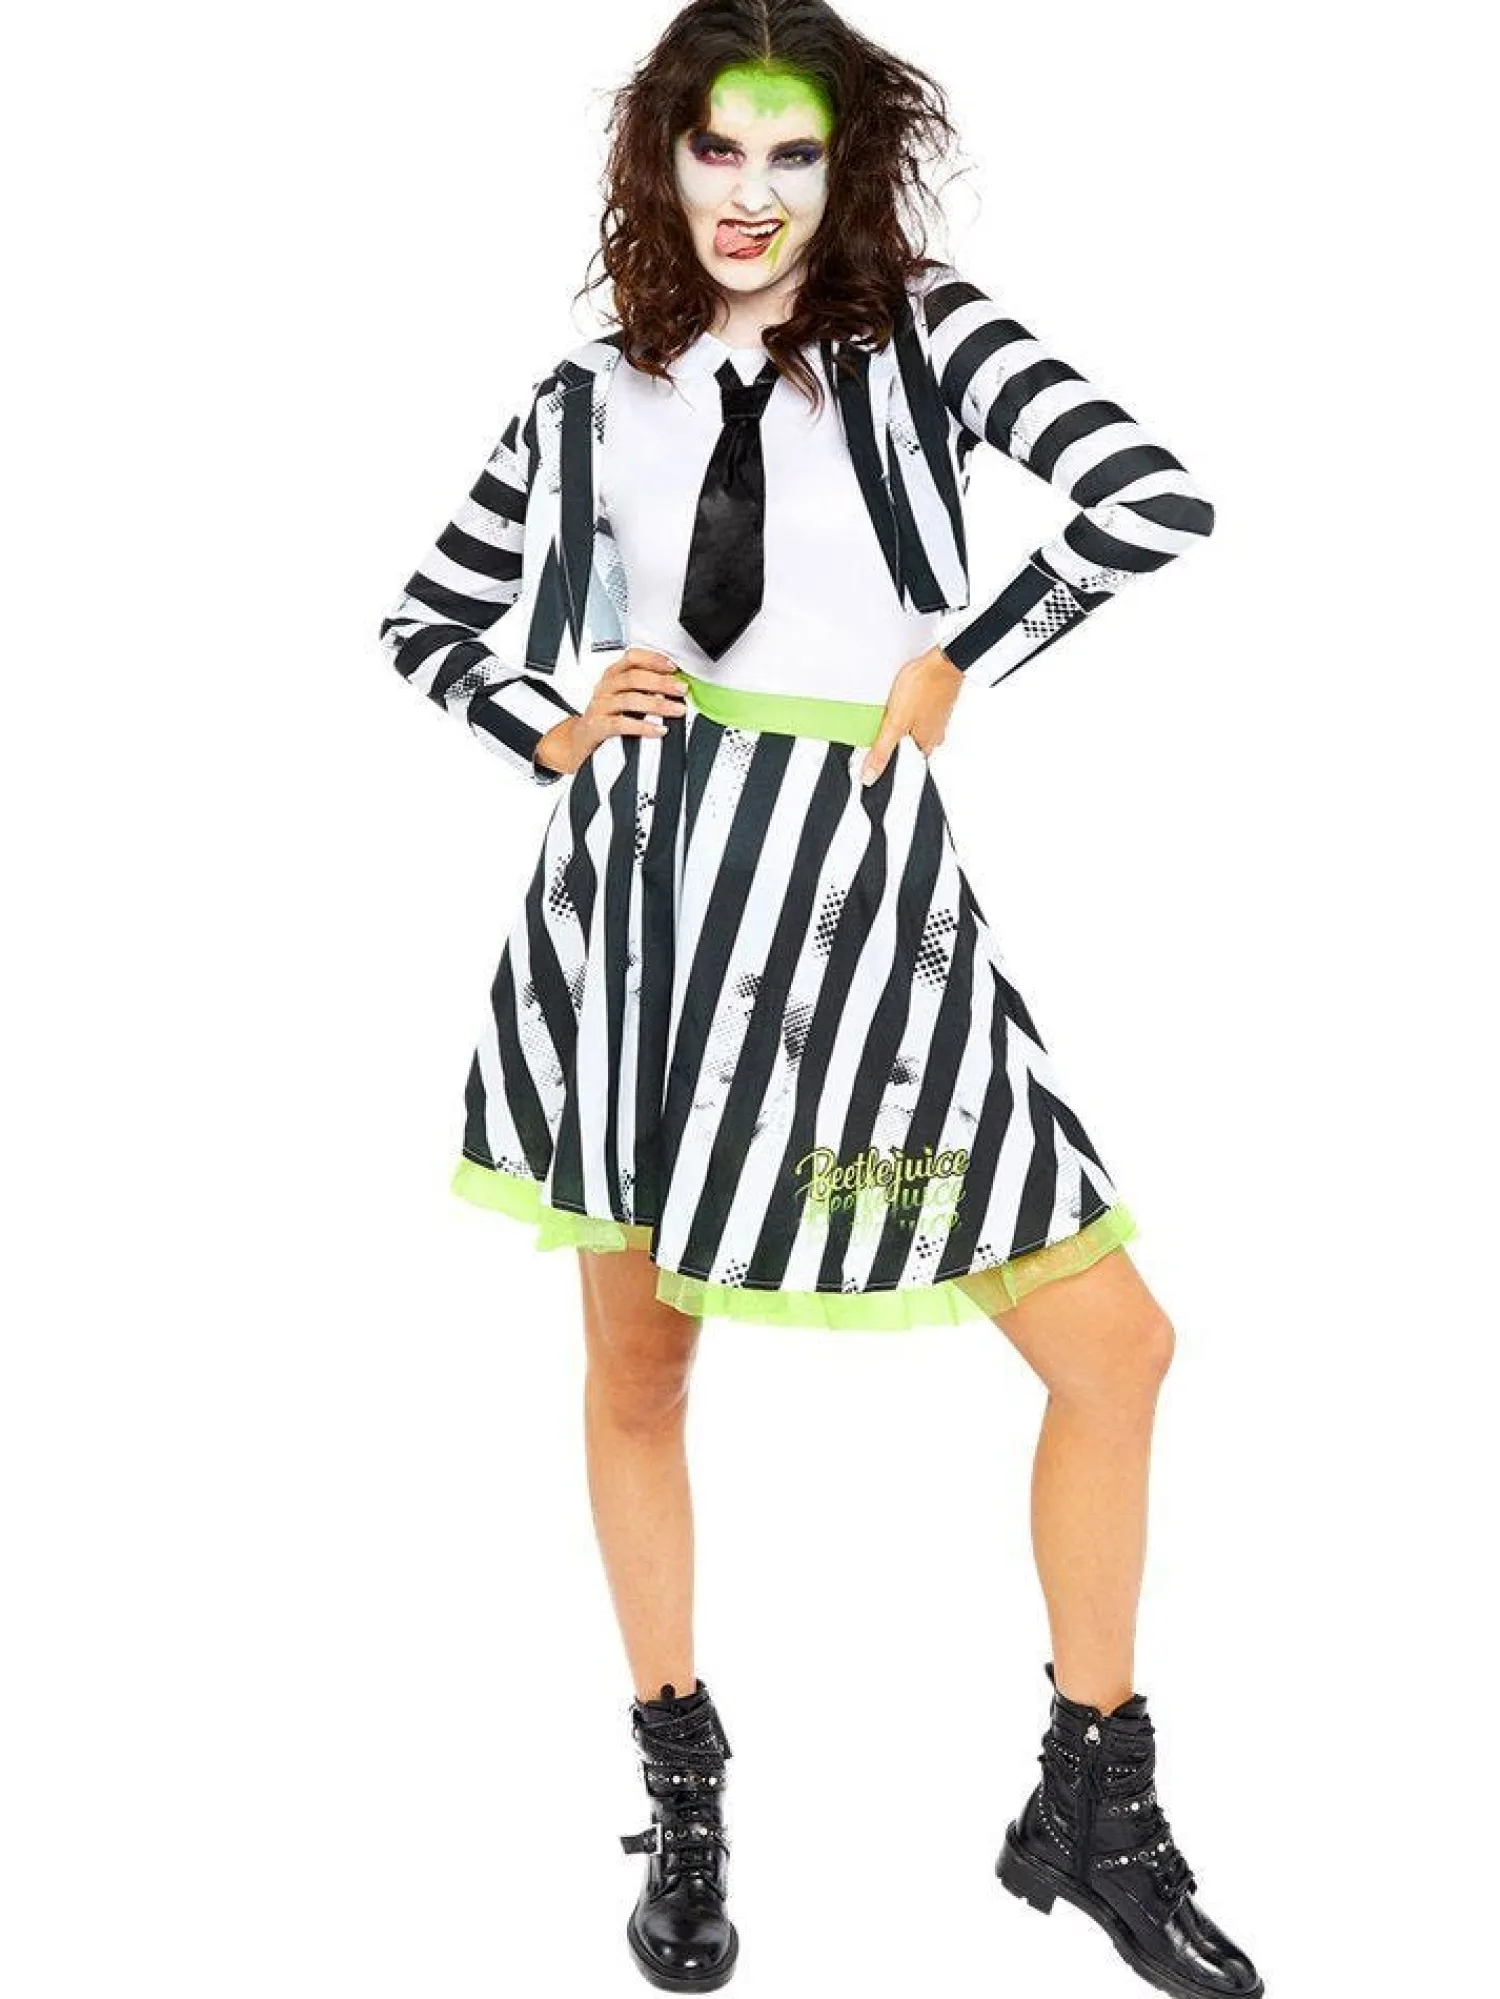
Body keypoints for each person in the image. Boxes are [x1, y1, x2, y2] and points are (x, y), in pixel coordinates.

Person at [377, 4, 1261, 1993]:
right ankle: (681, 1789)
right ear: (662, 153)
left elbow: (1148, 495)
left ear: (846, 164)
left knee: (1112, 1345)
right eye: (719, 149)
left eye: (793, 153)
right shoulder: (591, 389)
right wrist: (546, 718)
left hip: (857, 902)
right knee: (640, 1370)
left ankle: (1092, 1799)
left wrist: (962, 655)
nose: (752, 194)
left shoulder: (930, 336)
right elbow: (430, 617)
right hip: (639, 904)